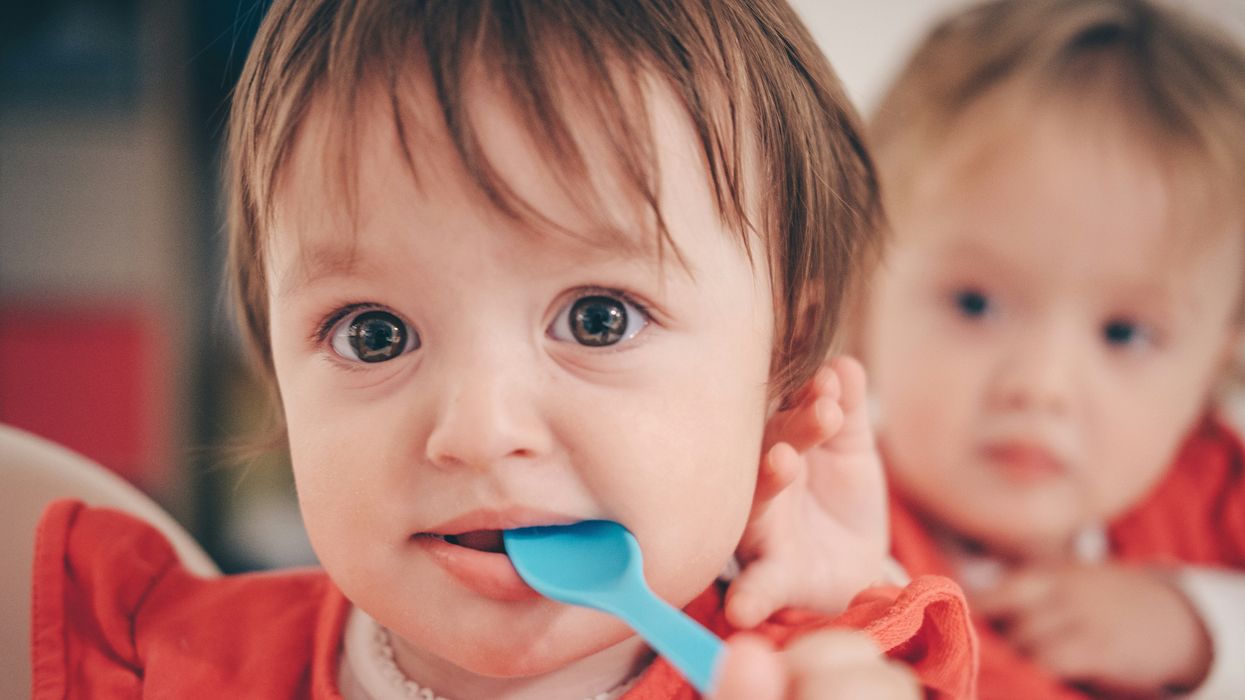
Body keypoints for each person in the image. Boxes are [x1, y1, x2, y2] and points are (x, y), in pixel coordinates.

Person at [29, 1, 978, 699]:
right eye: (375, 334)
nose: (478, 433)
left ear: (788, 351)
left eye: (599, 319)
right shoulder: (160, 666)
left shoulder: (816, 683)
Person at [855, 0, 1245, 697]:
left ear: (1213, 366)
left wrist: (1198, 627)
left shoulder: (1212, 496)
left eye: (1123, 332)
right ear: (861, 294)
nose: (1041, 385)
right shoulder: (829, 535)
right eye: (974, 303)